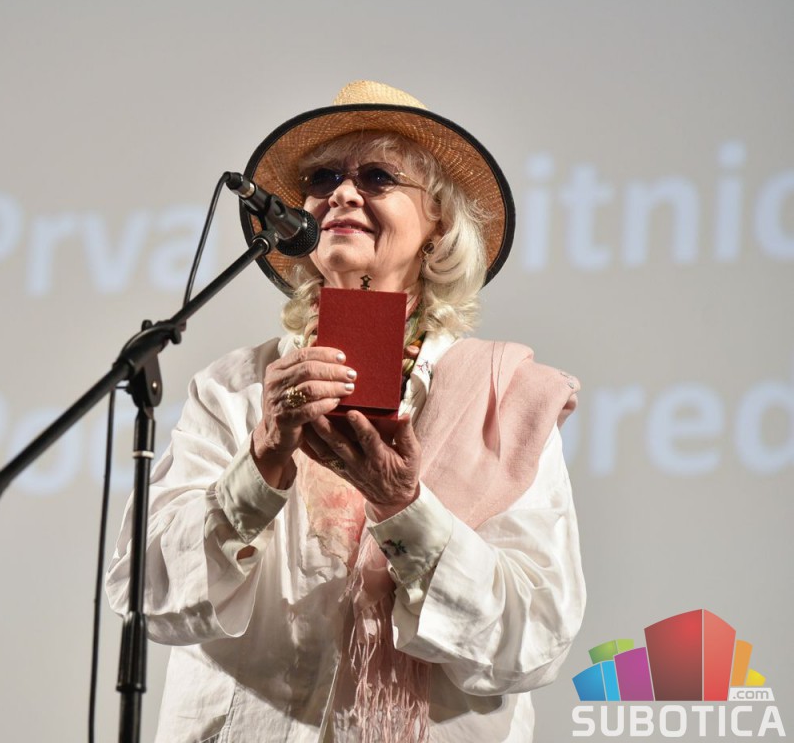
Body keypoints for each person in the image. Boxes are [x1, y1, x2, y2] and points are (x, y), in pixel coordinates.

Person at [106, 81, 585, 743]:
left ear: (439, 223)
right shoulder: (236, 388)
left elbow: (533, 640)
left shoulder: (508, 398)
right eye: (322, 178)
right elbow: (146, 594)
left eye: (378, 176)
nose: (342, 194)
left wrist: (404, 507)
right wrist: (261, 461)